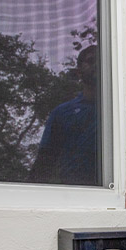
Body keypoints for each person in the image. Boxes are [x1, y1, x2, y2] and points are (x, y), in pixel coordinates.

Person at [30, 45, 100, 186]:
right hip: (73, 191)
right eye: (91, 60)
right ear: (79, 72)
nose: (97, 65)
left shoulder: (122, 109)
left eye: (100, 60)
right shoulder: (63, 112)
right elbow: (45, 160)